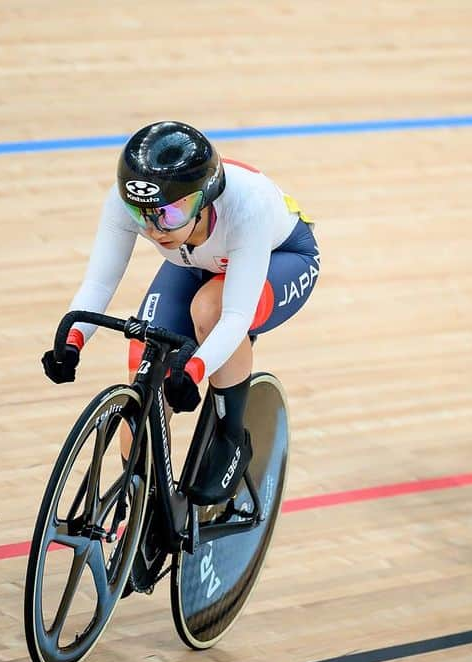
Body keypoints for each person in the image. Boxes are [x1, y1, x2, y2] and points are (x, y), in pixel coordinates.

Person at [42, 121, 320, 505]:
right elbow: (99, 285)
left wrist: (194, 369)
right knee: (145, 379)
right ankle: (148, 513)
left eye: (170, 214)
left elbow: (235, 316)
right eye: (143, 216)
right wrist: (72, 340)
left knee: (209, 309)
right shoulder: (132, 203)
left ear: (204, 198)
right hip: (196, 260)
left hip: (281, 258)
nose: (156, 230)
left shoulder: (247, 205)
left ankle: (230, 436)